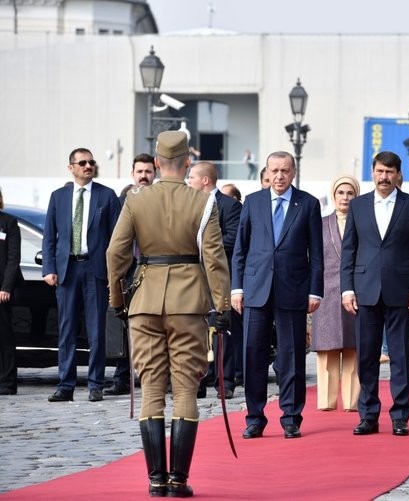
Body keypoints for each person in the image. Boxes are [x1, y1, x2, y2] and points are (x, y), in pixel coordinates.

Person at [107, 131, 231, 497]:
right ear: (187, 163)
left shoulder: (135, 200)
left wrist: (118, 300)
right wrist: (222, 306)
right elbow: (214, 259)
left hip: (144, 302)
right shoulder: (204, 203)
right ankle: (178, 480)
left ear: (157, 163)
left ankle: (155, 480)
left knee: (151, 390)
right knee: (186, 388)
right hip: (189, 302)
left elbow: (116, 255)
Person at [231, 151, 324, 440]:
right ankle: (255, 418)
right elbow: (240, 250)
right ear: (267, 173)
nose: (280, 176)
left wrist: (315, 291)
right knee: (253, 354)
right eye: (275, 170)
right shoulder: (253, 202)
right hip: (256, 290)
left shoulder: (307, 204)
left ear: (293, 172)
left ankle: (291, 417)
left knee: (292, 355)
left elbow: (317, 254)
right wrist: (237, 287)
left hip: (293, 290)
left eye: (285, 170)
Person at [341, 151, 409, 437]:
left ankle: (400, 416)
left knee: (401, 357)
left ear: (398, 174)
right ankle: (368, 415)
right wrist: (347, 288)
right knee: (366, 357)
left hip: (401, 292)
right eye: (379, 171)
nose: (384, 177)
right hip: (364, 291)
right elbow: (349, 251)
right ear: (373, 172)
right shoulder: (358, 206)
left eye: (389, 172)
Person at [42, 148, 121, 403]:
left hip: (95, 269)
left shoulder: (106, 196)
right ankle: (65, 385)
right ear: (71, 167)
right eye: (83, 162)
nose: (88, 166)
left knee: (96, 330)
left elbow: (116, 239)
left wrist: (114, 273)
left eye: (91, 162)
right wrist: (49, 268)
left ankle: (96, 384)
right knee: (66, 330)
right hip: (67, 270)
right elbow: (49, 238)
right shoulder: (58, 197)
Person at [187, 161, 242, 400]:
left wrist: (203, 246)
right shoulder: (187, 204)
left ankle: (225, 381)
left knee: (223, 331)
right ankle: (198, 381)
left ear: (205, 181)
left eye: (192, 178)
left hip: (220, 276)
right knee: (195, 331)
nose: (189, 182)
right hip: (192, 278)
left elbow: (233, 239)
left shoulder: (230, 206)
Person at [106, 153, 157, 396]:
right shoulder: (121, 201)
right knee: (123, 325)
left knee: (157, 323)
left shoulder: (160, 199)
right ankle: (121, 378)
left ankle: (159, 377)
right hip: (129, 269)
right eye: (140, 172)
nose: (144, 176)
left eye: (148, 171)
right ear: (133, 174)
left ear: (154, 174)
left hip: (155, 268)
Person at [311, 175, 361, 412]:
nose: (345, 197)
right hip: (326, 293)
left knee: (353, 348)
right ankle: (326, 401)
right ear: (333, 195)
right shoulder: (319, 224)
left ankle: (352, 401)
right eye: (341, 192)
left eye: (350, 193)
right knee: (327, 349)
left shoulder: (364, 223)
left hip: (356, 292)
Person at [0, 188, 22, 395]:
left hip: (1, 289)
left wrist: (5, 287)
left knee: (4, 337)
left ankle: (7, 382)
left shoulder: (9, 222)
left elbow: (13, 258)